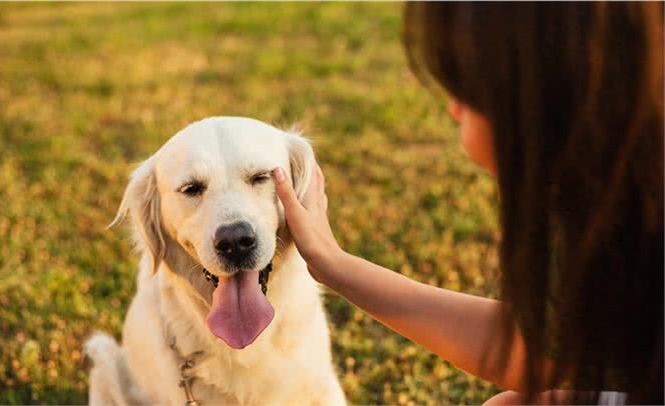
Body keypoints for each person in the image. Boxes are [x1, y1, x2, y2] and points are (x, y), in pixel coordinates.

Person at [272, 3, 663, 405]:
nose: (453, 108)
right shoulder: (618, 190)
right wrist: (334, 264)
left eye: (467, 86)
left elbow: (525, 357)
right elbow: (533, 350)